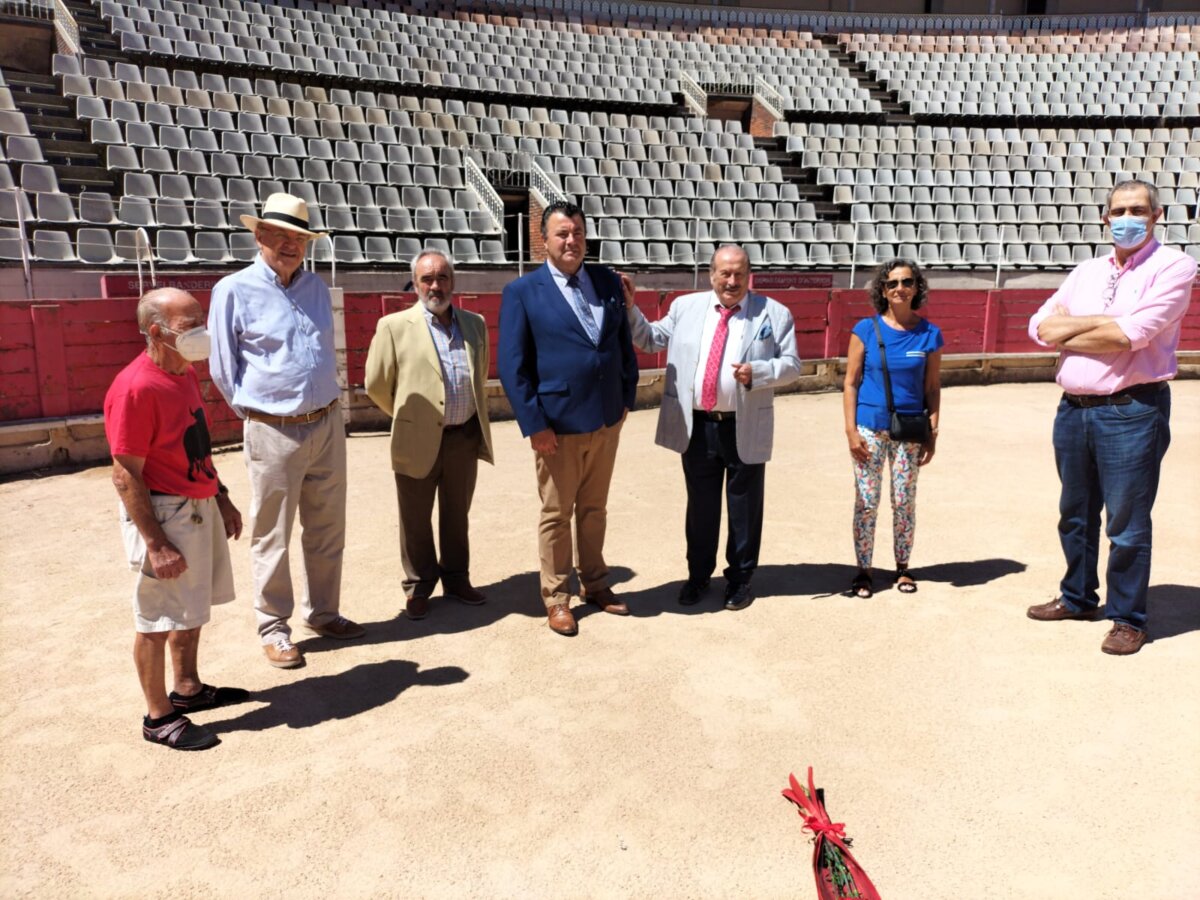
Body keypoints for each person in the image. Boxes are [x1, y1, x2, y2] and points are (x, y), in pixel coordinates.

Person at [1026, 179, 1195, 655]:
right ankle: (1078, 597)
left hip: (1132, 409)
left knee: (1126, 522)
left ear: (1156, 216)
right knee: (1074, 515)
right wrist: (1103, 324)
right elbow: (1038, 327)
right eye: (1119, 209)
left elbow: (1134, 334)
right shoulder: (1087, 270)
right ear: (1105, 217)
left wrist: (1070, 329)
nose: (1127, 217)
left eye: (1138, 209)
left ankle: (1127, 617)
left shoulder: (1175, 265)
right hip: (1073, 409)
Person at [208, 193, 364, 669]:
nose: (291, 245)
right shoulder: (233, 290)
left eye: (299, 237)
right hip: (273, 430)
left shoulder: (316, 288)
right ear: (259, 236)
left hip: (326, 422)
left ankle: (323, 612)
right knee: (271, 534)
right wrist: (261, 412)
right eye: (280, 235)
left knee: (326, 526)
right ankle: (274, 628)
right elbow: (222, 367)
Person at [104, 288, 248, 751]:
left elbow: (197, 445)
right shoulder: (135, 386)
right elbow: (125, 475)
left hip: (197, 504)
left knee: (190, 608)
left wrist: (220, 495)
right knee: (156, 618)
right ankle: (157, 717)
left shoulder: (182, 371)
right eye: (189, 327)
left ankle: (186, 689)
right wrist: (156, 542)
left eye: (200, 320)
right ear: (155, 332)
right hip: (164, 513)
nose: (201, 334)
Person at [624, 245, 801, 610]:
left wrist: (761, 372)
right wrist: (630, 309)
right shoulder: (685, 307)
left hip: (745, 423)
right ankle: (698, 576)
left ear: (749, 274)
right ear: (711, 274)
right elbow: (649, 339)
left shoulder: (774, 312)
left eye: (739, 273)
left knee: (745, 508)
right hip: (699, 426)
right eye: (725, 273)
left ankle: (740, 580)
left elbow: (793, 364)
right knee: (701, 508)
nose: (731, 281)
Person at [497, 200, 639, 636]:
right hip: (556, 426)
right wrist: (534, 424)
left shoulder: (607, 281)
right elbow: (512, 365)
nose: (571, 240)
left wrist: (626, 396)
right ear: (544, 240)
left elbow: (620, 342)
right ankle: (556, 596)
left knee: (595, 508)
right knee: (557, 513)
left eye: (577, 232)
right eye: (562, 233)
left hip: (605, 418)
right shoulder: (523, 291)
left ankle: (595, 583)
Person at [364, 250, 494, 621]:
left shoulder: (475, 324)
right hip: (416, 437)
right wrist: (410, 417)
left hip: (463, 437)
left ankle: (456, 578)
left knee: (457, 514)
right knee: (415, 517)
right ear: (416, 284)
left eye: (442, 278)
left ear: (453, 281)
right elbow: (376, 384)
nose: (435, 286)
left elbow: (479, 375)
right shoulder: (393, 326)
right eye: (427, 279)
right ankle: (419, 585)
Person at [842, 259, 943, 599]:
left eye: (907, 282)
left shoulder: (929, 334)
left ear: (917, 288)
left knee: (903, 501)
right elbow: (851, 382)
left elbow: (932, 387)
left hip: (909, 429)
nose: (899, 288)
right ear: (882, 290)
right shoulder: (866, 329)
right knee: (867, 502)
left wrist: (933, 429)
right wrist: (850, 431)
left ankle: (902, 567)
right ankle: (864, 570)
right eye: (892, 283)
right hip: (870, 427)